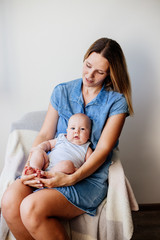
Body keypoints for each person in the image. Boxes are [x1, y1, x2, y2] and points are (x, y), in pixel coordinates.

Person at [1, 37, 133, 240]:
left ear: (110, 74)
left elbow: (103, 150)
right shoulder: (62, 91)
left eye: (99, 71)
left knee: (30, 207)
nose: (89, 75)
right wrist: (31, 167)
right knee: (9, 201)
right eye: (88, 65)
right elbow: (45, 135)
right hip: (49, 166)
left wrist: (71, 178)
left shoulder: (116, 102)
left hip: (87, 177)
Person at [24, 113, 92, 176]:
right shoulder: (62, 138)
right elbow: (48, 144)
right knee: (38, 151)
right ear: (67, 130)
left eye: (82, 129)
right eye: (73, 128)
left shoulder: (87, 148)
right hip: (46, 164)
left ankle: (46, 175)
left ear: (89, 134)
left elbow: (89, 166)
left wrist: (77, 171)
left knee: (68, 165)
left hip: (61, 172)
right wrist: (40, 147)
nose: (76, 131)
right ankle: (35, 170)